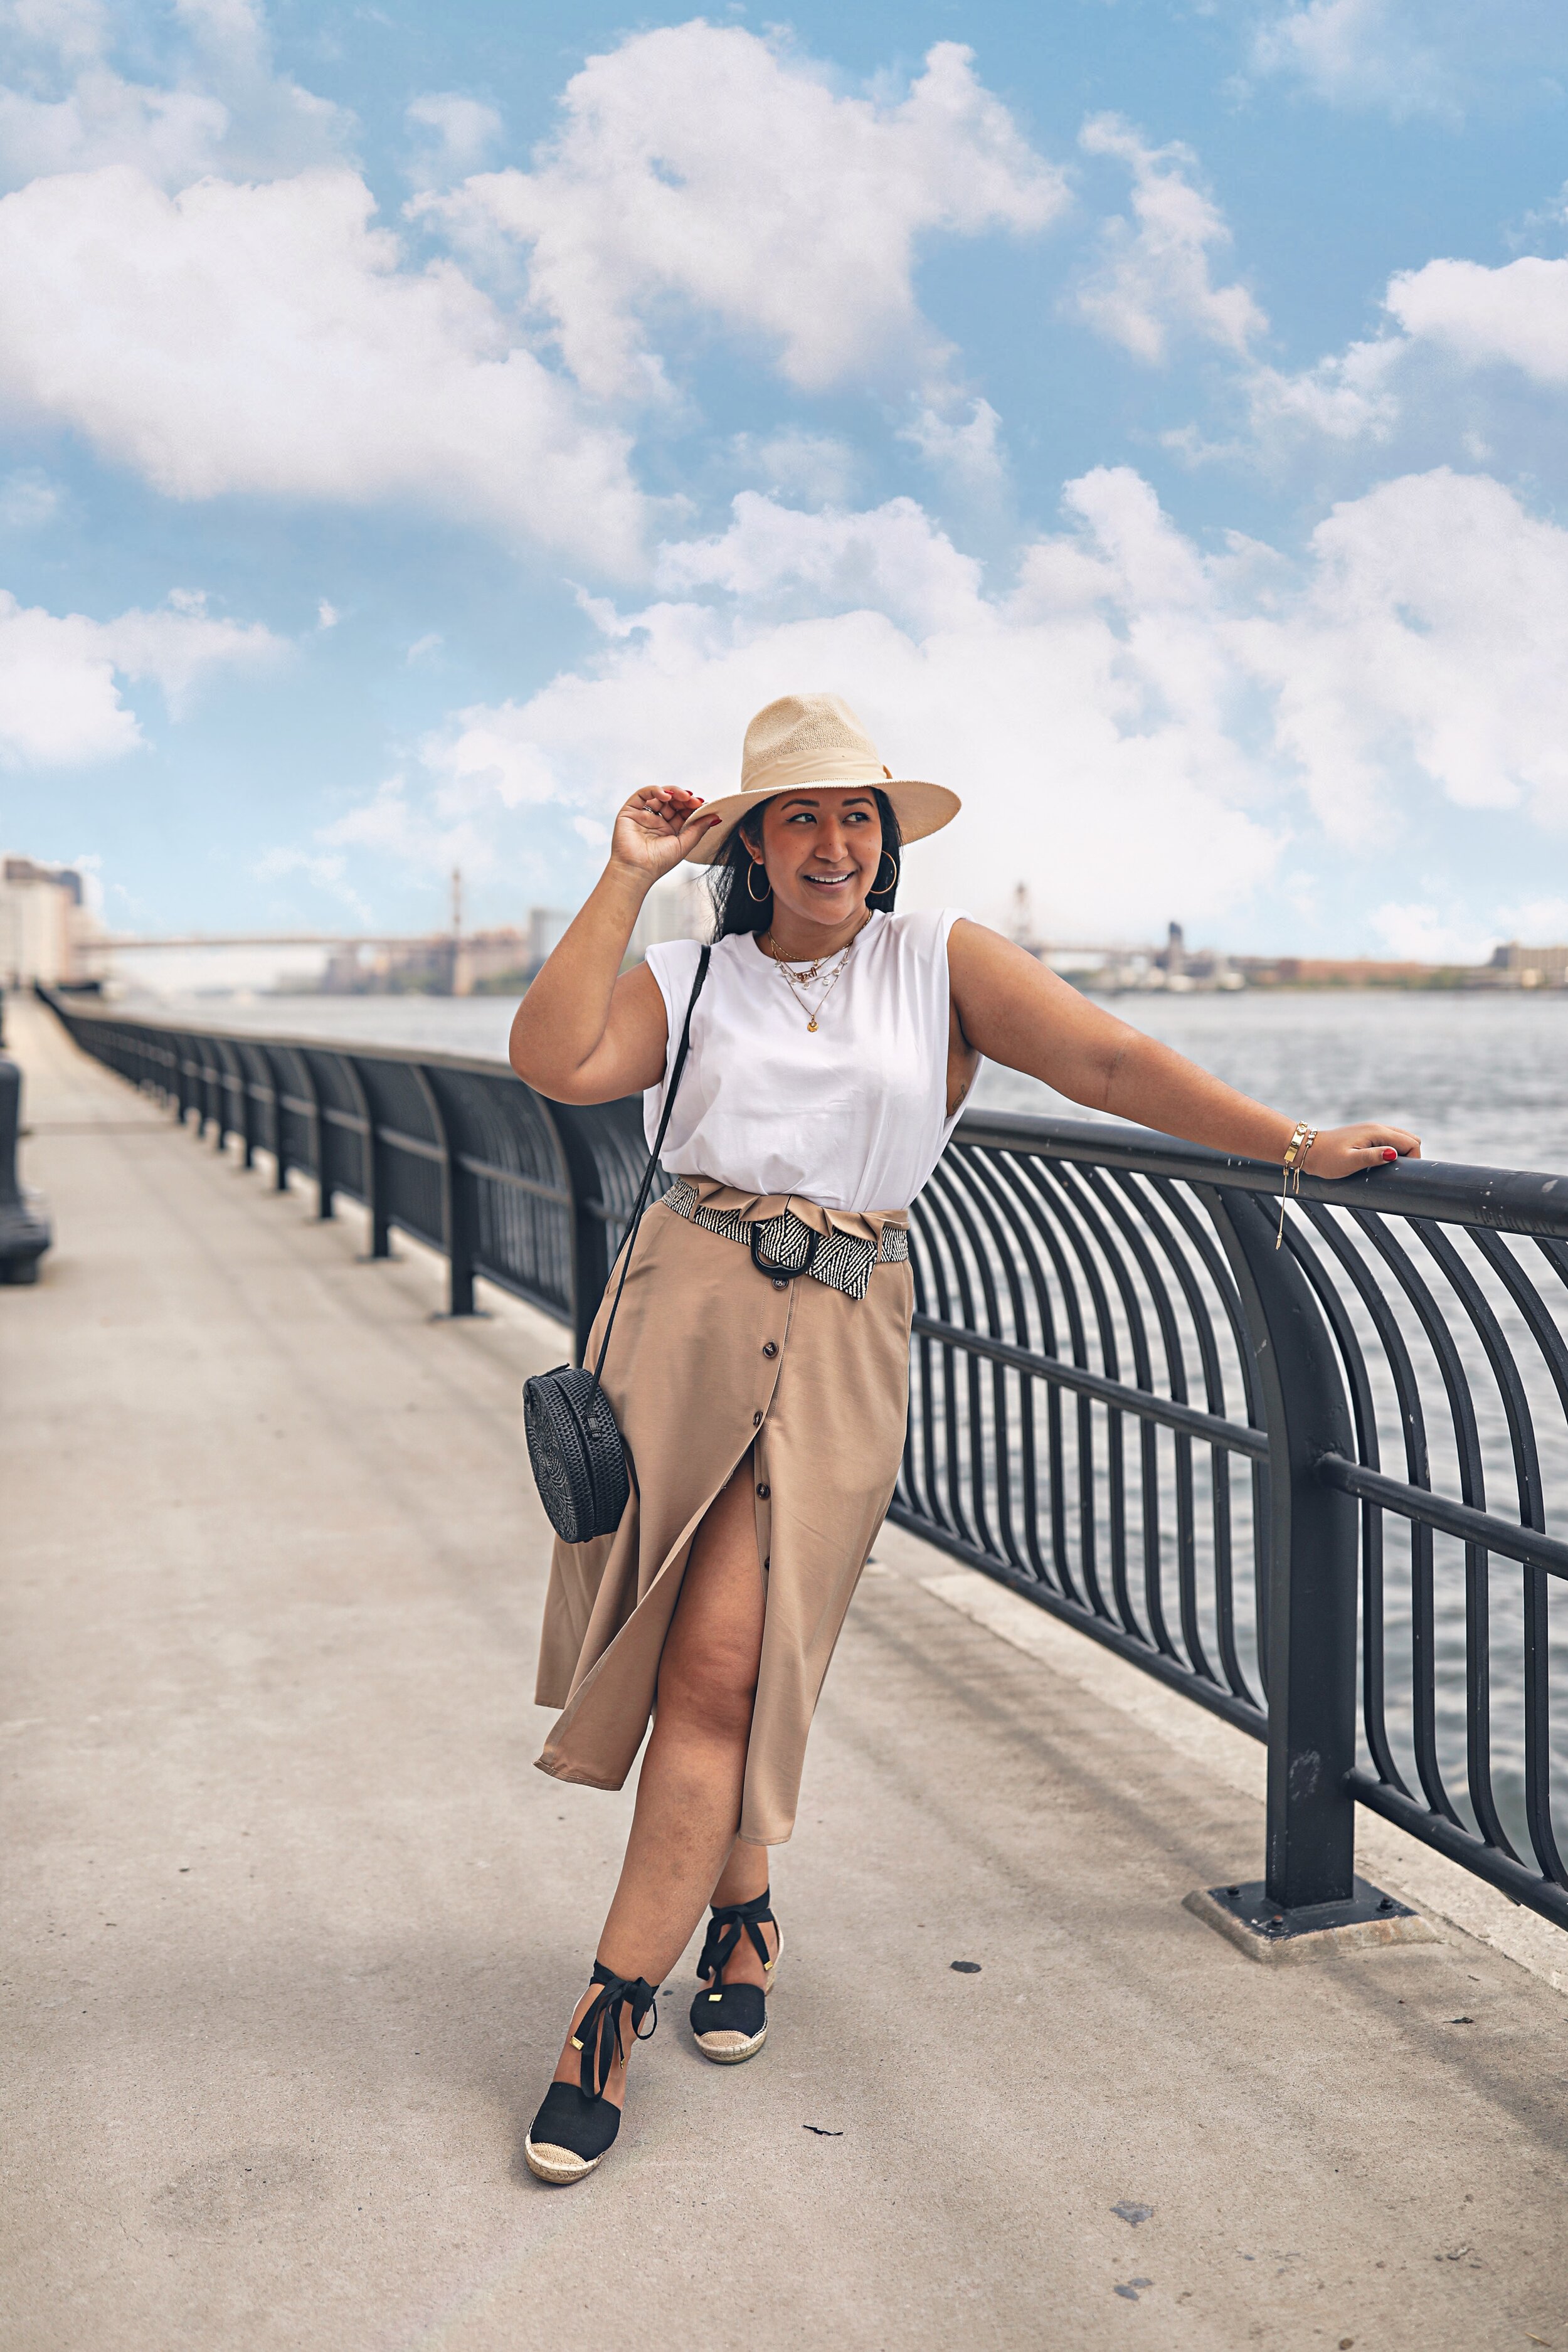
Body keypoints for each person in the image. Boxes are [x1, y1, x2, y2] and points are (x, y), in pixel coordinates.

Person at [507, 692, 1419, 2184]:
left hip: (845, 1331)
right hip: (677, 1321)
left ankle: (604, 2013)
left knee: (735, 1655)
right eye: (796, 815)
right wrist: (623, 876)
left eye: (855, 814)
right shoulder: (691, 974)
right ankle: (737, 1909)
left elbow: (1111, 1066)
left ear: (885, 836)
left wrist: (1293, 1147)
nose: (833, 842)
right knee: (697, 1648)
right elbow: (553, 1060)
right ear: (745, 843)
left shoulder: (939, 964)